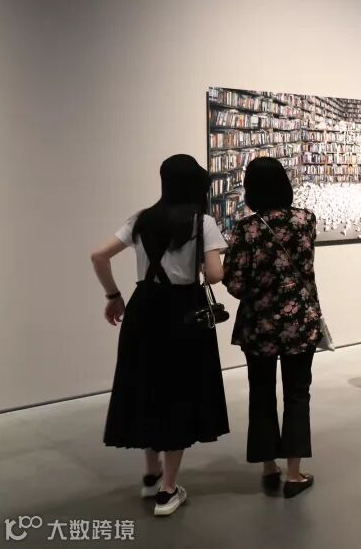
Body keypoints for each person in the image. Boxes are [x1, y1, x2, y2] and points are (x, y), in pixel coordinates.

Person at [90, 155, 229, 517]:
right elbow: (215, 275)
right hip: (184, 311)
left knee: (146, 384)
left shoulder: (141, 219)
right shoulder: (203, 222)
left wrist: (113, 295)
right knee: (179, 392)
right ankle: (168, 490)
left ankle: (151, 473)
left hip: (144, 308)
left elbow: (98, 255)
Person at [223, 157, 323, 498]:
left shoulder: (245, 229)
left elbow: (235, 284)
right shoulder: (305, 220)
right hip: (299, 321)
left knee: (261, 392)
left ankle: (268, 465)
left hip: (259, 324)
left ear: (250, 189)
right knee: (297, 393)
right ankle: (294, 473)